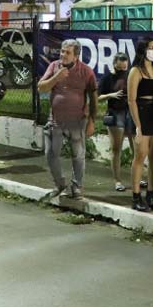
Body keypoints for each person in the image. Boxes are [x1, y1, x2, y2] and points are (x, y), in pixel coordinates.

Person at [37, 39, 97, 199]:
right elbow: (41, 87)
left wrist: (92, 120)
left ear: (76, 56)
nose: (63, 55)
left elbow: (93, 96)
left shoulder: (86, 71)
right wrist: (56, 77)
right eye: (62, 51)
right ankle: (59, 183)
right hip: (55, 119)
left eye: (67, 52)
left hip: (77, 121)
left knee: (78, 155)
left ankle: (77, 187)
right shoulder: (54, 66)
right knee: (50, 153)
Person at [127, 38, 153, 211]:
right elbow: (131, 100)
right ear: (142, 50)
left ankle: (151, 193)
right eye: (151, 48)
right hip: (142, 113)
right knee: (141, 154)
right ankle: (136, 196)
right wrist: (137, 125)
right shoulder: (135, 71)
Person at [98, 52, 135, 192]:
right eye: (120, 68)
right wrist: (111, 95)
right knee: (116, 148)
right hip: (115, 112)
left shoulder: (130, 74)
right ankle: (117, 181)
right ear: (114, 64)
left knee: (136, 148)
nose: (123, 71)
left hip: (131, 112)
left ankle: (137, 177)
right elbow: (97, 97)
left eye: (125, 67)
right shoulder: (108, 78)